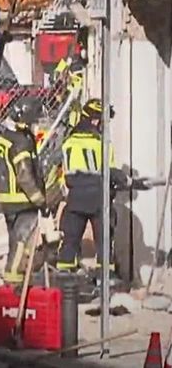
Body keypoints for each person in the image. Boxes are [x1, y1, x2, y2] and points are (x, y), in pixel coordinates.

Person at [57, 98, 129, 276]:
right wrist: (127, 181)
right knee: (104, 243)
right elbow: (110, 172)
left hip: (74, 200)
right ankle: (106, 281)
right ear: (95, 121)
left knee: (70, 242)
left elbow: (63, 173)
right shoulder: (101, 144)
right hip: (98, 201)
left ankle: (66, 284)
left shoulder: (68, 142)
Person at [0, 97, 48, 285]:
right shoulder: (21, 142)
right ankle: (14, 282)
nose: (35, 124)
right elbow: (24, 176)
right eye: (33, 120)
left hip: (7, 199)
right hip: (23, 201)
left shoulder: (5, 137)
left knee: (13, 241)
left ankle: (14, 279)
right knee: (21, 243)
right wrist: (40, 200)